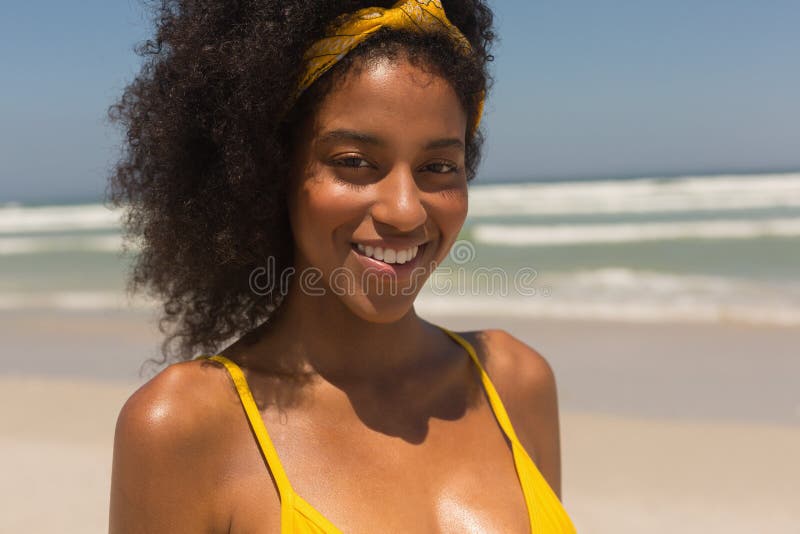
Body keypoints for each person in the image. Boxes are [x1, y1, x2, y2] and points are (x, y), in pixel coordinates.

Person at [107, 1, 577, 532]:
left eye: (439, 166)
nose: (405, 209)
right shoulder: (185, 427)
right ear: (271, 169)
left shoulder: (516, 383)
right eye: (354, 163)